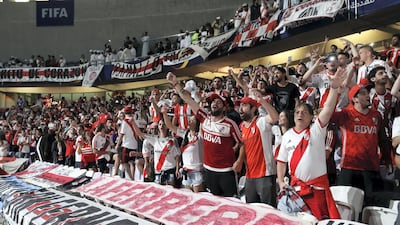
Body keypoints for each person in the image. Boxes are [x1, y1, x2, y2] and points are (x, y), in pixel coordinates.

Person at [276, 67, 347, 220]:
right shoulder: (287, 135)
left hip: (317, 191)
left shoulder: (317, 130)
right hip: (295, 191)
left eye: (304, 112)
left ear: (310, 118)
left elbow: (328, 109)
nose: (300, 114)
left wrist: (334, 88)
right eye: (297, 112)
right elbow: (281, 162)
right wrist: (281, 181)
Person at [167, 72, 242, 197]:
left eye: (218, 102)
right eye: (212, 102)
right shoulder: (204, 118)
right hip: (208, 170)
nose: (214, 104)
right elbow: (187, 99)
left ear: (224, 108)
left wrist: (239, 160)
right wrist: (175, 83)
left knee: (230, 204)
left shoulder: (230, 124)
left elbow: (241, 143)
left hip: (226, 171)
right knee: (213, 203)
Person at [330, 79, 392, 204]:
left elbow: (382, 140)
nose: (367, 96)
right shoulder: (346, 114)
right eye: (363, 93)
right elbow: (327, 113)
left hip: (371, 169)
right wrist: (336, 93)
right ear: (355, 99)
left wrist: (387, 160)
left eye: (367, 93)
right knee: (346, 206)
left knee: (371, 208)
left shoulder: (376, 115)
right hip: (349, 167)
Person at [236, 89, 279, 205]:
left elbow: (275, 117)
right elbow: (243, 147)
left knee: (269, 211)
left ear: (254, 108)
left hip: (265, 175)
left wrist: (262, 101)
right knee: (253, 209)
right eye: (240, 105)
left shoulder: (261, 122)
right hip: (249, 176)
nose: (240, 109)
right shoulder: (242, 127)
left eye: (244, 105)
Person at [162, 106, 204, 192]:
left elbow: (203, 119)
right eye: (190, 119)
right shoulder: (185, 134)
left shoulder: (200, 135)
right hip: (186, 172)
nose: (189, 121)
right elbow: (170, 126)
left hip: (197, 172)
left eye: (193, 120)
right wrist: (164, 113)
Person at [115, 106, 143, 180]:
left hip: (126, 144)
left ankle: (131, 178)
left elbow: (121, 134)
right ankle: (133, 177)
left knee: (124, 162)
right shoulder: (135, 120)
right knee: (131, 162)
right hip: (134, 144)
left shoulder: (125, 122)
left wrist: (117, 144)